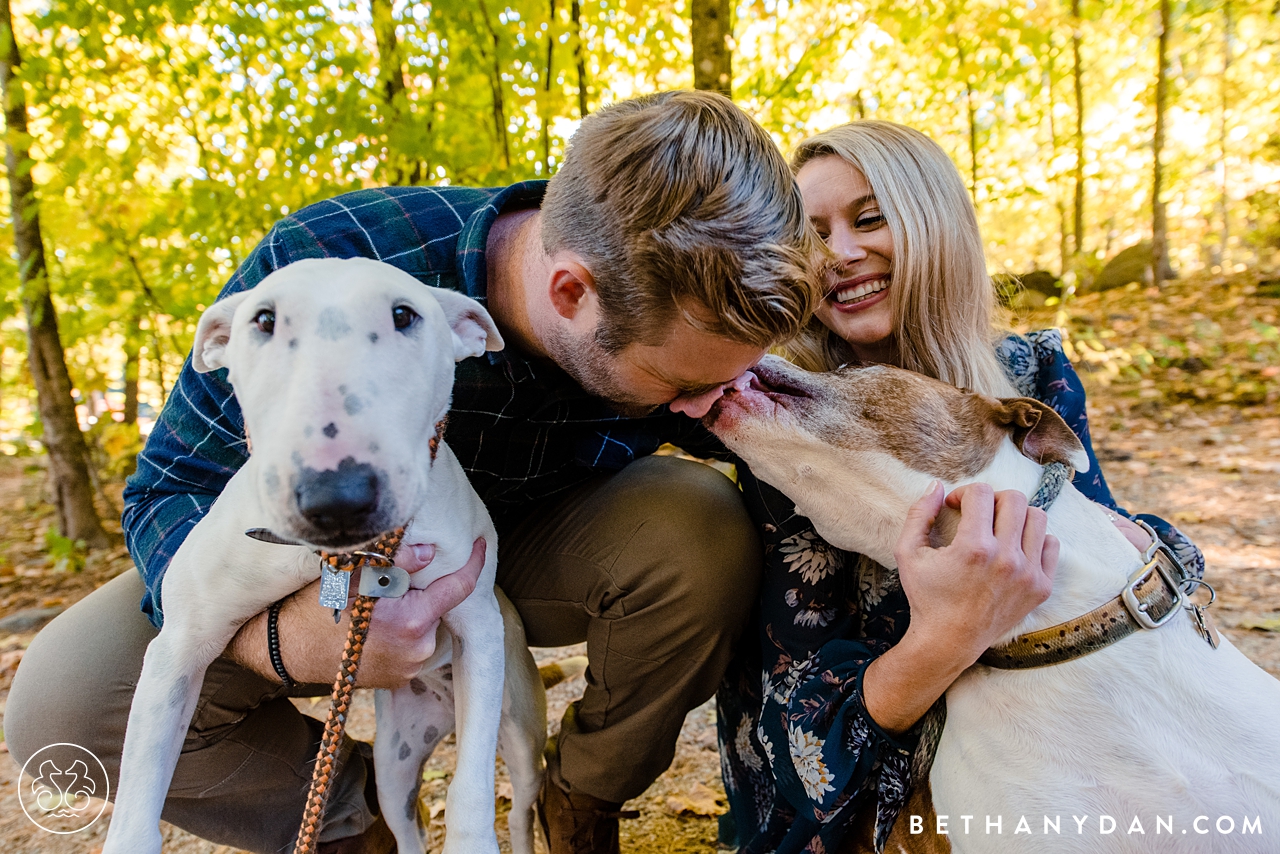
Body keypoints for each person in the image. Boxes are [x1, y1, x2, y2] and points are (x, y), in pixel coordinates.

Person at [5, 91, 824, 854]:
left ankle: (575, 797)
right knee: (64, 707)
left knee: (701, 521)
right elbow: (170, 485)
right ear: (572, 292)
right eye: (682, 385)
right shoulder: (328, 261)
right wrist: (286, 639)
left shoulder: (690, 310)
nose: (712, 406)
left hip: (528, 549)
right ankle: (354, 817)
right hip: (305, 550)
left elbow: (803, 446)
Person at [713, 120, 1205, 854]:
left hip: (1041, 745)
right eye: (812, 236)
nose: (839, 256)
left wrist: (1160, 551)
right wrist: (951, 632)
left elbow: (1101, 552)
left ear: (933, 221)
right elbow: (805, 748)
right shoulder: (786, 422)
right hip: (874, 782)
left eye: (870, 218)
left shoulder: (1031, 376)